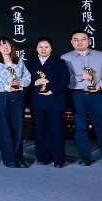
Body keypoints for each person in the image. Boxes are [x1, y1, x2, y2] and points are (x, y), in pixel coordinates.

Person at [61, 30, 102, 168]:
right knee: (80, 127)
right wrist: (80, 77)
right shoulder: (65, 58)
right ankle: (85, 156)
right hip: (77, 95)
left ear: (89, 41)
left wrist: (100, 85)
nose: (79, 42)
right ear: (71, 42)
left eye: (83, 39)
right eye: (76, 39)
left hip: (97, 95)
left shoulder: (101, 55)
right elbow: (63, 78)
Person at [0, 37, 31, 167]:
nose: (5, 47)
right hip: (2, 95)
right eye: (2, 45)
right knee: (4, 128)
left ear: (12, 47)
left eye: (7, 45)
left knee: (18, 128)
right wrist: (7, 86)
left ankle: (19, 158)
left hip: (18, 95)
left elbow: (28, 77)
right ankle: (9, 159)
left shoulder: (19, 62)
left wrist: (20, 82)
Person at [25, 37, 69, 168]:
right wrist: (35, 82)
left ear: (51, 48)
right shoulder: (29, 63)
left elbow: (65, 79)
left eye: (46, 47)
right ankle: (42, 157)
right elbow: (25, 79)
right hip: (37, 101)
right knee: (40, 131)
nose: (43, 49)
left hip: (55, 100)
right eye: (40, 47)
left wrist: (52, 91)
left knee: (56, 131)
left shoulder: (60, 62)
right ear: (36, 48)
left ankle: (58, 160)